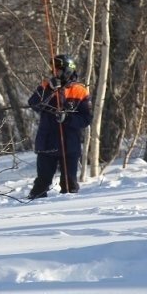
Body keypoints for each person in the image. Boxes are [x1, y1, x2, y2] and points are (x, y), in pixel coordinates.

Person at [27, 54, 92, 199]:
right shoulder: (46, 86)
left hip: (70, 145)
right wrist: (49, 90)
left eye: (58, 70)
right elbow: (33, 104)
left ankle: (69, 209)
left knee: (69, 185)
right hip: (47, 143)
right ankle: (34, 207)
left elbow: (86, 119)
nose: (55, 73)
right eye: (54, 70)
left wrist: (67, 118)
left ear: (68, 70)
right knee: (42, 183)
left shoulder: (80, 91)